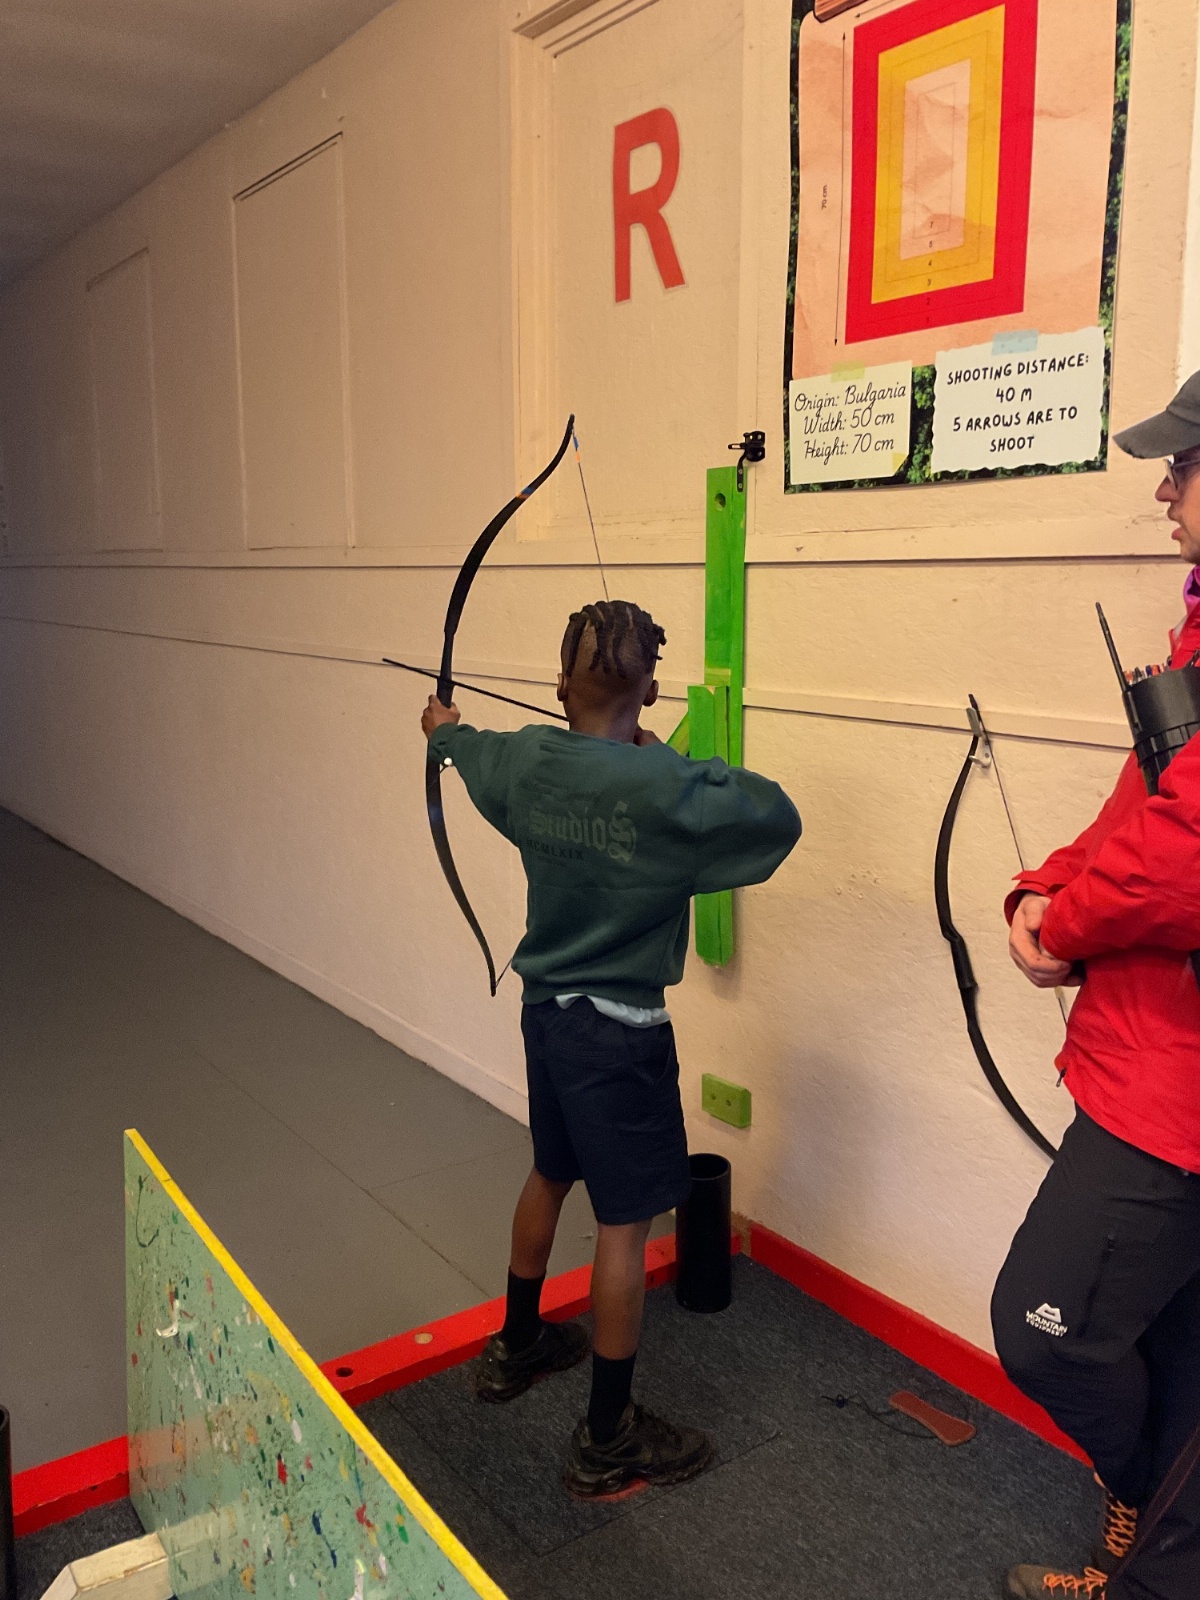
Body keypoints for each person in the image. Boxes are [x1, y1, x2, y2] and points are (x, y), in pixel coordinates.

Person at [420, 598, 801, 1498]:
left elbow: (461, 746)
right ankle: (607, 1436)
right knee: (624, 1226)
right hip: (620, 1036)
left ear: (560, 686)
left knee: (551, 1170)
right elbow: (774, 816)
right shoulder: (668, 789)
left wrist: (443, 729)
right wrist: (659, 758)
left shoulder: (524, 757)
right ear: (651, 691)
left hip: (548, 1016)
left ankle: (516, 1345)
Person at [992, 374, 1200, 1600]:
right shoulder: (1195, 640)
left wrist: (1062, 926)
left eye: (1183, 465)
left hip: (1173, 1095)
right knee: (1174, 1346)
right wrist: (1042, 892)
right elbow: (1145, 813)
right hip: (1151, 1058)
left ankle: (1143, 1516)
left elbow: (1188, 853)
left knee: (1045, 1326)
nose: (1164, 489)